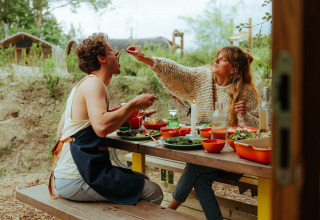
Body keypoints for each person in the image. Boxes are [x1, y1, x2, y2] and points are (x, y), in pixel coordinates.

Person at [127, 45, 260, 219]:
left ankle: (167, 212)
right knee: (201, 181)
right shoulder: (204, 78)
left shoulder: (246, 91)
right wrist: (146, 59)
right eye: (217, 56)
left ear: (234, 69)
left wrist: (244, 115)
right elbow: (177, 71)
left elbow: (258, 129)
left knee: (195, 166)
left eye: (223, 59)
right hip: (206, 152)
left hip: (231, 158)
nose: (216, 60)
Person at [50, 33, 163, 206]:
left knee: (141, 178)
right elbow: (101, 127)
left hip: (65, 175)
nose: (117, 53)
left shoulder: (82, 85)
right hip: (78, 177)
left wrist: (130, 114)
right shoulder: (94, 83)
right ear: (101, 58)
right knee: (154, 191)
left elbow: (62, 133)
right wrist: (133, 105)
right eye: (111, 50)